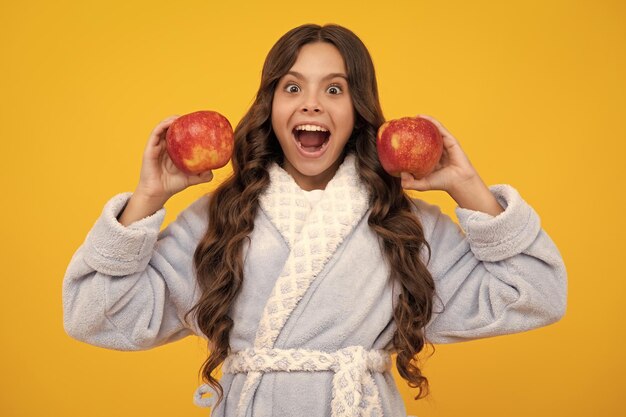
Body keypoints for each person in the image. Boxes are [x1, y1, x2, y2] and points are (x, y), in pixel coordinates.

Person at [62, 23, 567, 417]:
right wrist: (148, 198)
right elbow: (94, 314)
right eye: (291, 87)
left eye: (334, 89)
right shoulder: (222, 217)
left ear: (357, 110)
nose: (310, 103)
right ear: (271, 104)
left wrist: (467, 187)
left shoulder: (400, 221)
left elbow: (537, 292)